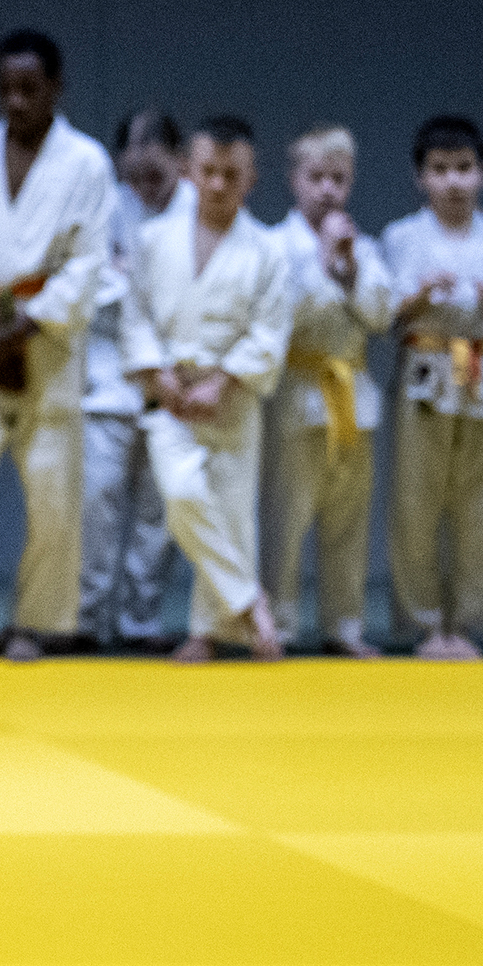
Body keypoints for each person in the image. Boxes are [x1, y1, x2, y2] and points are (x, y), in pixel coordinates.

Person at [0, 30, 114, 661]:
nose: (16, 101)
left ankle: (36, 622)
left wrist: (25, 326)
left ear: (56, 88)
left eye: (30, 88)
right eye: (5, 88)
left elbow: (87, 263)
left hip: (48, 348)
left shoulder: (85, 162)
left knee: (51, 487)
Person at [119, 117, 293, 663]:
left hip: (232, 398)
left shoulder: (267, 250)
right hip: (171, 394)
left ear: (252, 179)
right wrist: (159, 376)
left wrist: (223, 381)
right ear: (189, 171)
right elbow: (135, 315)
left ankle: (208, 631)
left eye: (231, 174)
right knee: (183, 496)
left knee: (232, 512)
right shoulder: (152, 240)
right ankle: (249, 601)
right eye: (208, 172)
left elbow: (269, 331)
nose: (218, 184)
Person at [380, 115, 483, 659]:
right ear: (420, 177)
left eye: (464, 168)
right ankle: (421, 623)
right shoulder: (400, 237)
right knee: (415, 501)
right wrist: (414, 299)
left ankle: (467, 621)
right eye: (439, 170)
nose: (453, 181)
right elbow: (382, 312)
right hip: (424, 368)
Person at [265, 123, 395, 657]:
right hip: (298, 396)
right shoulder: (276, 246)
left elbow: (382, 315)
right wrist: (317, 263)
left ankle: (345, 625)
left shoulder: (363, 247)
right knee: (288, 519)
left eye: (338, 179)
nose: (328, 190)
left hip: (353, 398)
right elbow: (277, 319)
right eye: (316, 177)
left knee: (349, 520)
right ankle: (281, 623)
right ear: (294, 179)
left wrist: (347, 272)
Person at [79, 107, 185, 653]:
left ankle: (140, 620)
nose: (143, 181)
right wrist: (142, 286)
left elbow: (193, 297)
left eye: (157, 171)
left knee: (158, 510)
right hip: (109, 378)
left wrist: (132, 280)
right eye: (134, 169)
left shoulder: (199, 212)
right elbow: (90, 286)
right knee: (96, 501)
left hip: (175, 379)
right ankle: (87, 617)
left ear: (182, 163)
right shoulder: (105, 206)